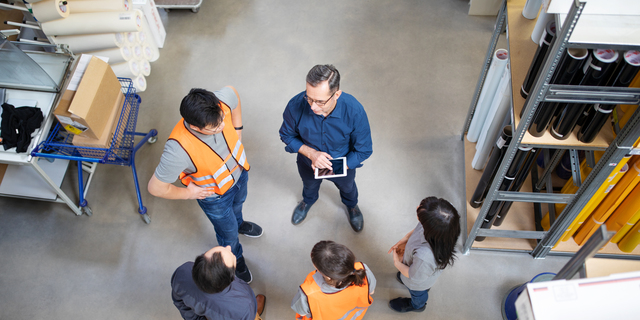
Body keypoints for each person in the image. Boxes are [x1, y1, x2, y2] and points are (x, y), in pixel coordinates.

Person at [148, 87, 262, 283]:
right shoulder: (178, 150)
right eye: (214, 127)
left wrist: (237, 129)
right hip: (216, 197)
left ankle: (240, 223)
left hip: (240, 174)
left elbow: (234, 93)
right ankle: (237, 259)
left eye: (221, 121)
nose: (221, 126)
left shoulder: (221, 102)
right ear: (196, 127)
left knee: (239, 205)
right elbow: (156, 187)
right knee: (228, 235)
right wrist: (189, 193)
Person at [279, 65, 373, 232]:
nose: (313, 107)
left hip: (343, 165)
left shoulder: (354, 111)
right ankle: (307, 201)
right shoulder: (295, 105)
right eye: (309, 98)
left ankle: (352, 206)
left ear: (336, 94)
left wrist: (337, 166)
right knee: (309, 186)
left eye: (320, 101)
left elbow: (364, 150)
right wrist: (312, 154)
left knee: (348, 188)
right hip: (308, 163)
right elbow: (286, 135)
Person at [387, 196, 461, 313]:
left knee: (418, 294)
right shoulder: (443, 223)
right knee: (404, 276)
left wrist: (397, 262)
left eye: (420, 214)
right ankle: (404, 279)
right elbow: (419, 228)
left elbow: (413, 275)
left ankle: (417, 305)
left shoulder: (425, 257)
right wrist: (406, 239)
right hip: (418, 268)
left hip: (417, 282)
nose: (417, 207)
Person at [171, 245, 266, 320]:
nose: (228, 247)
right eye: (232, 257)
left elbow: (179, 301)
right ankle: (255, 313)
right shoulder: (243, 306)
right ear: (231, 278)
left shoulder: (182, 272)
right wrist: (250, 314)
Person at [291, 240, 375, 320]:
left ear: (328, 277)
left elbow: (301, 313)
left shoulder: (308, 293)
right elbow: (371, 292)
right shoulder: (363, 271)